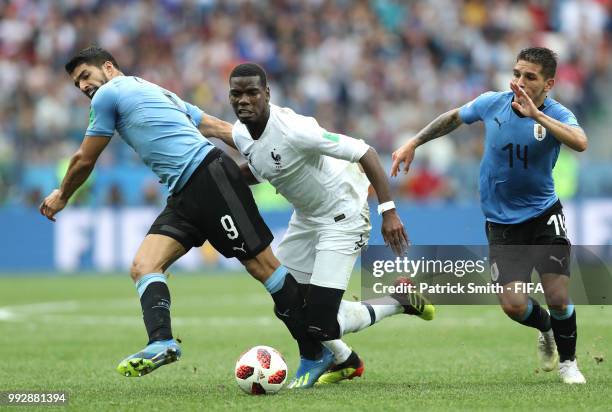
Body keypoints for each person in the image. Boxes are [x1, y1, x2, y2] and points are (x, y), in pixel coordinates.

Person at [38, 47, 332, 382]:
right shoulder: (152, 90)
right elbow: (216, 126)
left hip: (209, 178)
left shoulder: (108, 95)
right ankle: (161, 341)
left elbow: (84, 159)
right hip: (184, 192)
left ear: (107, 67)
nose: (82, 87)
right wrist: (263, 151)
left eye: (85, 76)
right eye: (77, 84)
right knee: (144, 266)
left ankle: (318, 353)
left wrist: (62, 194)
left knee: (264, 267)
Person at [219, 63, 435, 388]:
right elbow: (262, 165)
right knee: (287, 302)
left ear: (267, 94)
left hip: (343, 214)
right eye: (237, 94)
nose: (244, 100)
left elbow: (366, 152)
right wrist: (222, 179)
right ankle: (345, 360)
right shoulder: (240, 132)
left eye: (252, 93)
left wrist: (388, 211)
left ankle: (398, 301)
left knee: (321, 324)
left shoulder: (295, 129)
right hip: (307, 218)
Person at [391, 47, 588, 384]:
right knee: (513, 305)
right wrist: (414, 142)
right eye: (516, 74)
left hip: (544, 215)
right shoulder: (492, 103)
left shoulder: (557, 114)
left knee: (557, 294)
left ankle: (569, 364)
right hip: (501, 223)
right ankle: (546, 328)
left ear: (548, 84)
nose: (519, 82)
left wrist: (537, 116)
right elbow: (453, 117)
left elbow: (580, 142)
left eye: (530, 77)